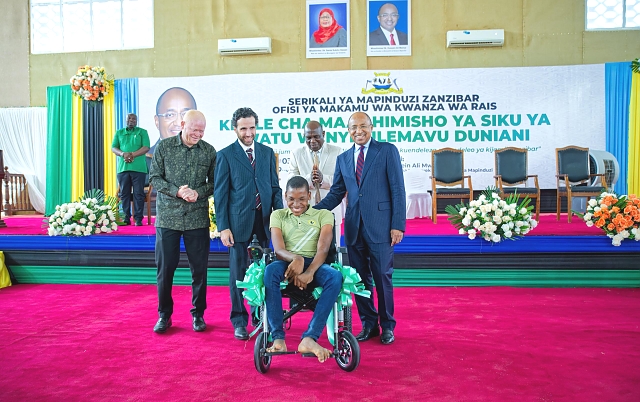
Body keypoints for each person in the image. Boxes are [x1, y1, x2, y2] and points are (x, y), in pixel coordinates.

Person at [315, 111, 406, 345]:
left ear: (371, 127)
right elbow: (336, 192)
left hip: (381, 227)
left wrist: (397, 225)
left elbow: (397, 189)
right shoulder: (343, 158)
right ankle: (369, 324)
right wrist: (313, 211)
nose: (359, 131)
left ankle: (387, 326)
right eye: (354, 127)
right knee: (360, 280)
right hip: (354, 228)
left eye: (363, 126)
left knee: (382, 277)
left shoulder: (387, 151)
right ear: (348, 131)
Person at [213, 107, 283, 341]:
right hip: (237, 224)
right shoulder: (225, 155)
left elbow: (274, 188)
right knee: (238, 274)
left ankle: (260, 316)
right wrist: (223, 227)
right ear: (235, 129)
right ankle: (239, 320)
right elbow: (220, 194)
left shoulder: (266, 152)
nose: (249, 133)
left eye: (252, 127)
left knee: (263, 272)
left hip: (264, 223)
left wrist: (279, 219)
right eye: (243, 128)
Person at [149, 110, 216, 334]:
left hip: (197, 218)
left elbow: (214, 183)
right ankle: (164, 315)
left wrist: (198, 192)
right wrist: (177, 191)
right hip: (168, 218)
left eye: (201, 131)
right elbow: (154, 177)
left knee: (199, 270)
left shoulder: (209, 151)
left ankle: (198, 314)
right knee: (165, 269)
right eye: (194, 129)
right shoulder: (164, 147)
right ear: (182, 124)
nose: (198, 134)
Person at [264, 175, 343, 363]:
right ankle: (278, 338)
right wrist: (296, 258)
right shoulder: (278, 215)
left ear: (309, 196)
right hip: (287, 263)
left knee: (335, 277)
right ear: (285, 196)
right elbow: (279, 249)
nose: (296, 204)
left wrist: (309, 272)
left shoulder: (323, 215)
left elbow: (323, 248)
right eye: (291, 199)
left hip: (315, 263)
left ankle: (309, 338)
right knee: (270, 271)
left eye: (301, 199)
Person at [289, 120, 343, 241]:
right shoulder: (296, 153)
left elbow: (342, 182)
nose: (312, 141)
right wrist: (309, 179)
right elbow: (291, 183)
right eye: (308, 138)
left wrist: (323, 179)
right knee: (307, 249)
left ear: (323, 134)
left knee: (333, 250)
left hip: (331, 211)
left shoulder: (337, 152)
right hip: (304, 213)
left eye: (316, 137)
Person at [111, 113, 150, 226]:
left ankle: (138, 219)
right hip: (123, 169)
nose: (131, 120)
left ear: (136, 121)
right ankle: (126, 218)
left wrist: (132, 155)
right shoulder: (119, 133)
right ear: (126, 120)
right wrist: (123, 154)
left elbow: (146, 147)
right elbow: (114, 148)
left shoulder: (142, 132)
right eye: (129, 118)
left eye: (134, 119)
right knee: (124, 194)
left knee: (138, 194)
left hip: (139, 169)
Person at [146, 87, 197, 168]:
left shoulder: (207, 155)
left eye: (185, 114)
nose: (179, 123)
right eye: (170, 115)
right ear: (157, 121)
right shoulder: (145, 159)